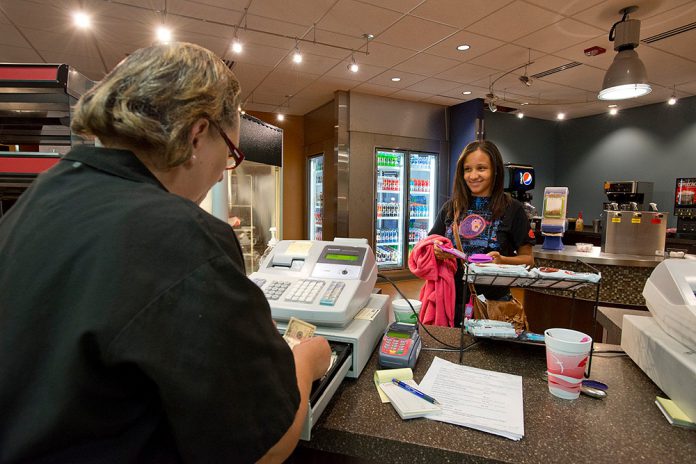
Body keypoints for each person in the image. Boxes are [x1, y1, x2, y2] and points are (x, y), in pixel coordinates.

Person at [0, 42, 330, 463]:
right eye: (230, 153)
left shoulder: (43, 193)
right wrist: (306, 361)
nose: (220, 174)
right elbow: (265, 446)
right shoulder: (185, 235)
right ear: (197, 134)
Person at [429, 140, 535, 325]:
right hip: (449, 305)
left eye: (481, 168)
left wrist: (503, 261)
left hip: (495, 308)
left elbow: (528, 260)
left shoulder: (513, 209)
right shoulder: (451, 207)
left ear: (495, 171)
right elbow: (429, 245)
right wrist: (437, 251)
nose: (473, 175)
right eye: (467, 169)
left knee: (489, 354)